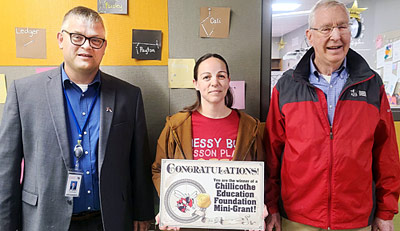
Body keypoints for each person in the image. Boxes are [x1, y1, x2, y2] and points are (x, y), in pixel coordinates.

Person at [0, 6, 154, 231]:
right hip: (44, 220)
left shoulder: (129, 96)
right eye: (77, 37)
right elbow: (6, 167)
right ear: (61, 39)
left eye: (95, 40)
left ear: (103, 47)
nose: (86, 46)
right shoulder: (23, 93)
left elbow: (138, 161)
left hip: (108, 220)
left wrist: (143, 212)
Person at [265, 1, 400, 231]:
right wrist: (272, 207)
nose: (336, 36)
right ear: (310, 36)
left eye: (343, 26)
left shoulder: (371, 85)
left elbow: (385, 154)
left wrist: (386, 212)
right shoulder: (287, 87)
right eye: (326, 28)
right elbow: (272, 153)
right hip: (297, 219)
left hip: (355, 219)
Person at [152, 53, 268, 230]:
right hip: (189, 225)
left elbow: (261, 175)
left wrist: (258, 206)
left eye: (221, 76)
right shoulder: (176, 126)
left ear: (228, 81)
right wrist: (170, 205)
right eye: (206, 77)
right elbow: (159, 169)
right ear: (195, 84)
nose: (215, 82)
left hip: (235, 225)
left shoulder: (251, 127)